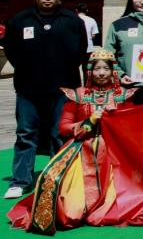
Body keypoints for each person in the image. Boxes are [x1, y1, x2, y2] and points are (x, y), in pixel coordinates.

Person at [8, 49, 133, 233]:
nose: (101, 73)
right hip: (81, 149)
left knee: (120, 205)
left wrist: (117, 117)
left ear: (113, 71)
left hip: (113, 153)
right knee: (67, 209)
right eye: (97, 68)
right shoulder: (78, 95)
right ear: (89, 71)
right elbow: (63, 127)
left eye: (106, 69)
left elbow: (132, 127)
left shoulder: (123, 95)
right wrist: (89, 121)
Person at [2, 0, 88, 200]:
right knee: (25, 134)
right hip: (28, 89)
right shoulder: (20, 20)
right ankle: (21, 181)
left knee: (59, 134)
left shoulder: (72, 21)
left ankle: (59, 177)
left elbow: (81, 52)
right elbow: (11, 50)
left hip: (63, 89)